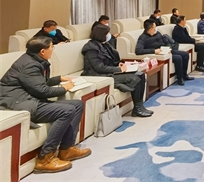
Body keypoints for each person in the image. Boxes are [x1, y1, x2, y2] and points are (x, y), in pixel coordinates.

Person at [0, 37, 90, 173]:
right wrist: (63, 88)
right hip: (20, 104)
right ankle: (45, 157)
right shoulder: (29, 65)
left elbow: (37, 83)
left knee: (77, 105)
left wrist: (58, 79)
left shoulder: (34, 60)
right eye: (52, 47)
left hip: (29, 99)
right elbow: (42, 91)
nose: (53, 49)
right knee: (67, 110)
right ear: (42, 51)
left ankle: (66, 149)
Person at [81, 25, 153, 117]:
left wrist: (118, 64)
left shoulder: (104, 45)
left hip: (108, 71)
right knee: (134, 77)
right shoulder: (91, 49)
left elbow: (110, 60)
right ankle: (138, 109)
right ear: (101, 34)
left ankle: (139, 106)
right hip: (99, 75)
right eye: (107, 33)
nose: (109, 35)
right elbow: (99, 67)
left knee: (140, 74)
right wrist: (118, 69)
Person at [135, 20, 193, 86]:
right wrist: (154, 51)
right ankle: (180, 78)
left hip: (166, 51)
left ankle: (184, 75)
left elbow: (165, 41)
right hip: (158, 54)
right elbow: (138, 51)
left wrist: (168, 48)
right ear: (150, 29)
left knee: (185, 54)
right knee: (178, 58)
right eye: (154, 27)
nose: (156, 28)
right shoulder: (143, 37)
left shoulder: (157, 33)